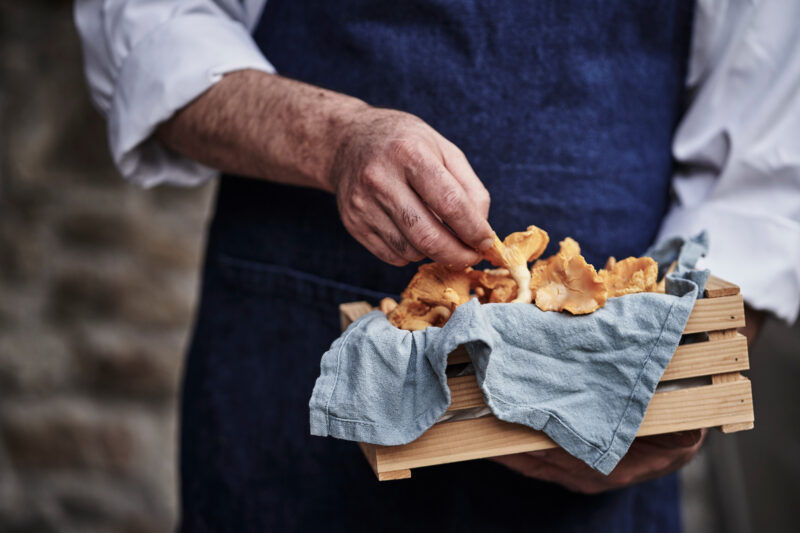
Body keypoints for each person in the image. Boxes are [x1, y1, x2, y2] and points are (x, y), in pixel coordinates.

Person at [74, 0, 800, 531]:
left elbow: (765, 175)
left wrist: (676, 388)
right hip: (292, 364)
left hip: (599, 424)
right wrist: (335, 137)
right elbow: (149, 27)